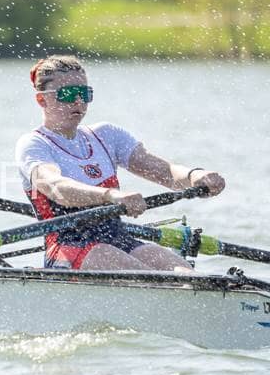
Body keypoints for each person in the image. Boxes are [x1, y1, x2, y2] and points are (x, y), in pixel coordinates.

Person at [15, 55, 225, 271]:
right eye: (68, 94)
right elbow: (56, 187)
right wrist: (110, 195)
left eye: (84, 94)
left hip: (119, 239)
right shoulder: (34, 144)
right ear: (42, 100)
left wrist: (194, 176)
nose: (78, 101)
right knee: (150, 277)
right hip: (67, 249)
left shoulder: (106, 135)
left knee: (186, 275)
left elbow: (164, 171)